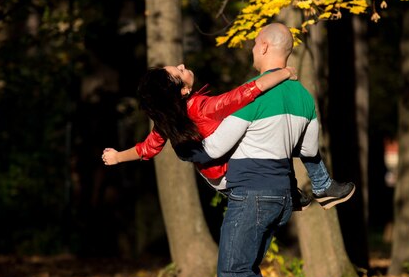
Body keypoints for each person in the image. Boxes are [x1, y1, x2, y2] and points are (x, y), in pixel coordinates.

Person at [177, 22, 350, 277]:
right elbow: (309, 148)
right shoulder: (303, 96)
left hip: (251, 195)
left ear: (266, 47)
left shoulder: (253, 95)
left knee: (231, 275)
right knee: (247, 272)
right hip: (282, 198)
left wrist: (182, 145)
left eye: (255, 45)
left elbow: (213, 147)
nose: (253, 51)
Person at [102, 63, 354, 209]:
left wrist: (117, 157)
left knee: (264, 131)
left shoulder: (169, 122)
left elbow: (147, 148)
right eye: (179, 72)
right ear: (184, 90)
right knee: (277, 127)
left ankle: (293, 195)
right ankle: (321, 186)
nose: (181, 65)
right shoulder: (201, 106)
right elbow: (243, 94)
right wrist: (283, 73)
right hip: (237, 172)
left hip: (220, 181)